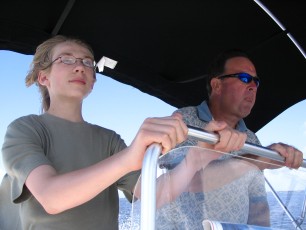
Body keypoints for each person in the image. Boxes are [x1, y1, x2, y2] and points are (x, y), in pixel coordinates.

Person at [0, 35, 246, 230]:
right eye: (66, 59)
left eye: (87, 62)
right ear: (43, 77)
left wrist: (195, 159)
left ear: (94, 80)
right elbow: (51, 198)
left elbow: (151, 195)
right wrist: (128, 158)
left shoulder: (109, 140)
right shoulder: (24, 129)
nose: (80, 67)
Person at [153, 49, 304, 229]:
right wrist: (255, 160)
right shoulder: (184, 122)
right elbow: (187, 185)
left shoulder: (251, 139)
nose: (253, 86)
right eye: (245, 78)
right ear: (217, 85)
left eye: (256, 81)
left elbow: (257, 204)